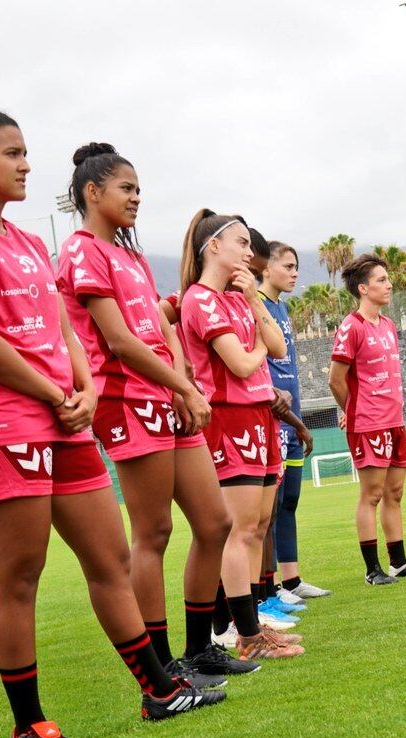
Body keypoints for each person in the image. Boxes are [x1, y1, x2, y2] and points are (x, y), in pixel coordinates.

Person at [0, 102, 223, 738]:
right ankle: (29, 723)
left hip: (68, 421)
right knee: (21, 576)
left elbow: (67, 334)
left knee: (111, 559)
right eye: (13, 153)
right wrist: (56, 392)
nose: (27, 165)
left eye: (26, 152)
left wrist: (80, 388)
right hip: (6, 425)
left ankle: (159, 692)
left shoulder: (31, 241)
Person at [56, 143, 253, 679]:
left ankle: (198, 650)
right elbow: (118, 341)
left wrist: (185, 381)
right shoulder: (80, 251)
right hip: (124, 399)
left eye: (139, 188)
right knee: (155, 532)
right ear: (92, 192)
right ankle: (163, 662)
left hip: (167, 396)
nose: (137, 198)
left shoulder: (131, 254)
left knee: (214, 523)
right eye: (127, 188)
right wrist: (184, 389)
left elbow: (162, 329)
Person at [178, 208, 304, 660]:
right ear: (214, 247)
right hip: (228, 418)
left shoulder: (236, 297)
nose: (250, 253)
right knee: (238, 530)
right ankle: (242, 633)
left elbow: (280, 347)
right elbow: (245, 362)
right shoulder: (200, 299)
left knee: (255, 528)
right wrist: (255, 343)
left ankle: (244, 624)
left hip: (258, 417)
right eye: (242, 244)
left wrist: (252, 303)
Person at [329, 254, 406, 584]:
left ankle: (399, 562)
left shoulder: (388, 325)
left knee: (395, 493)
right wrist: (351, 411)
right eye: (380, 280)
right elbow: (336, 379)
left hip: (394, 419)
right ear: (363, 288)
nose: (388, 285)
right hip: (368, 423)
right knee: (371, 495)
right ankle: (372, 569)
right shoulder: (351, 327)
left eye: (388, 279)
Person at [257, 241, 330, 598]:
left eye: (295, 266)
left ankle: (293, 580)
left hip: (294, 417)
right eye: (287, 266)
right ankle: (267, 588)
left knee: (290, 501)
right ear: (265, 268)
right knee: (267, 508)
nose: (294, 273)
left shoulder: (282, 309)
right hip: (272, 421)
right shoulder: (254, 304)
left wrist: (299, 420)